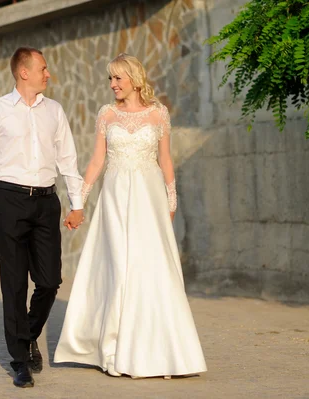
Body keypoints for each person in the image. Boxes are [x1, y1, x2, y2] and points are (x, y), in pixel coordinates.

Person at [53, 53, 207, 379]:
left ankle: (162, 353)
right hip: (115, 197)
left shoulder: (159, 114)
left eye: (117, 78)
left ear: (134, 79)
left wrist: (171, 199)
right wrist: (79, 201)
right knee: (120, 267)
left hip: (149, 199)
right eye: (110, 79)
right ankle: (114, 348)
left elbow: (166, 160)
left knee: (151, 268)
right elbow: (96, 161)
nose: (112, 85)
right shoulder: (106, 115)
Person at [0, 47, 85, 388]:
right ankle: (19, 361)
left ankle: (28, 334)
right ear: (23, 72)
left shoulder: (54, 111)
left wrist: (77, 202)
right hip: (9, 200)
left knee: (49, 281)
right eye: (43, 68)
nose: (48, 74)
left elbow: (68, 159)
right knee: (13, 284)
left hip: (46, 201)